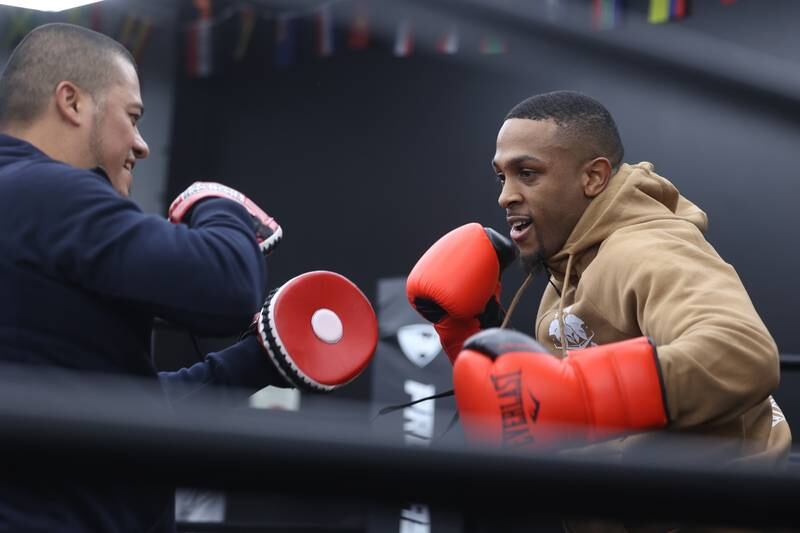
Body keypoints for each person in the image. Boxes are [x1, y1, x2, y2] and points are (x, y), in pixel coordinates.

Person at [0, 23, 376, 532]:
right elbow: (226, 284)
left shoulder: (26, 211)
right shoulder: (46, 193)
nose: (140, 144)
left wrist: (258, 359)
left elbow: (116, 407)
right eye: (132, 117)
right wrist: (218, 204)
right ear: (72, 102)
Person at [407, 91, 790, 526]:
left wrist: (578, 392)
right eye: (502, 177)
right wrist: (471, 342)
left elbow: (743, 354)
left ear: (592, 178)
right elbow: (545, 429)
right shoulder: (560, 279)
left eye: (527, 173)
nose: (506, 196)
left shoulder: (650, 250)